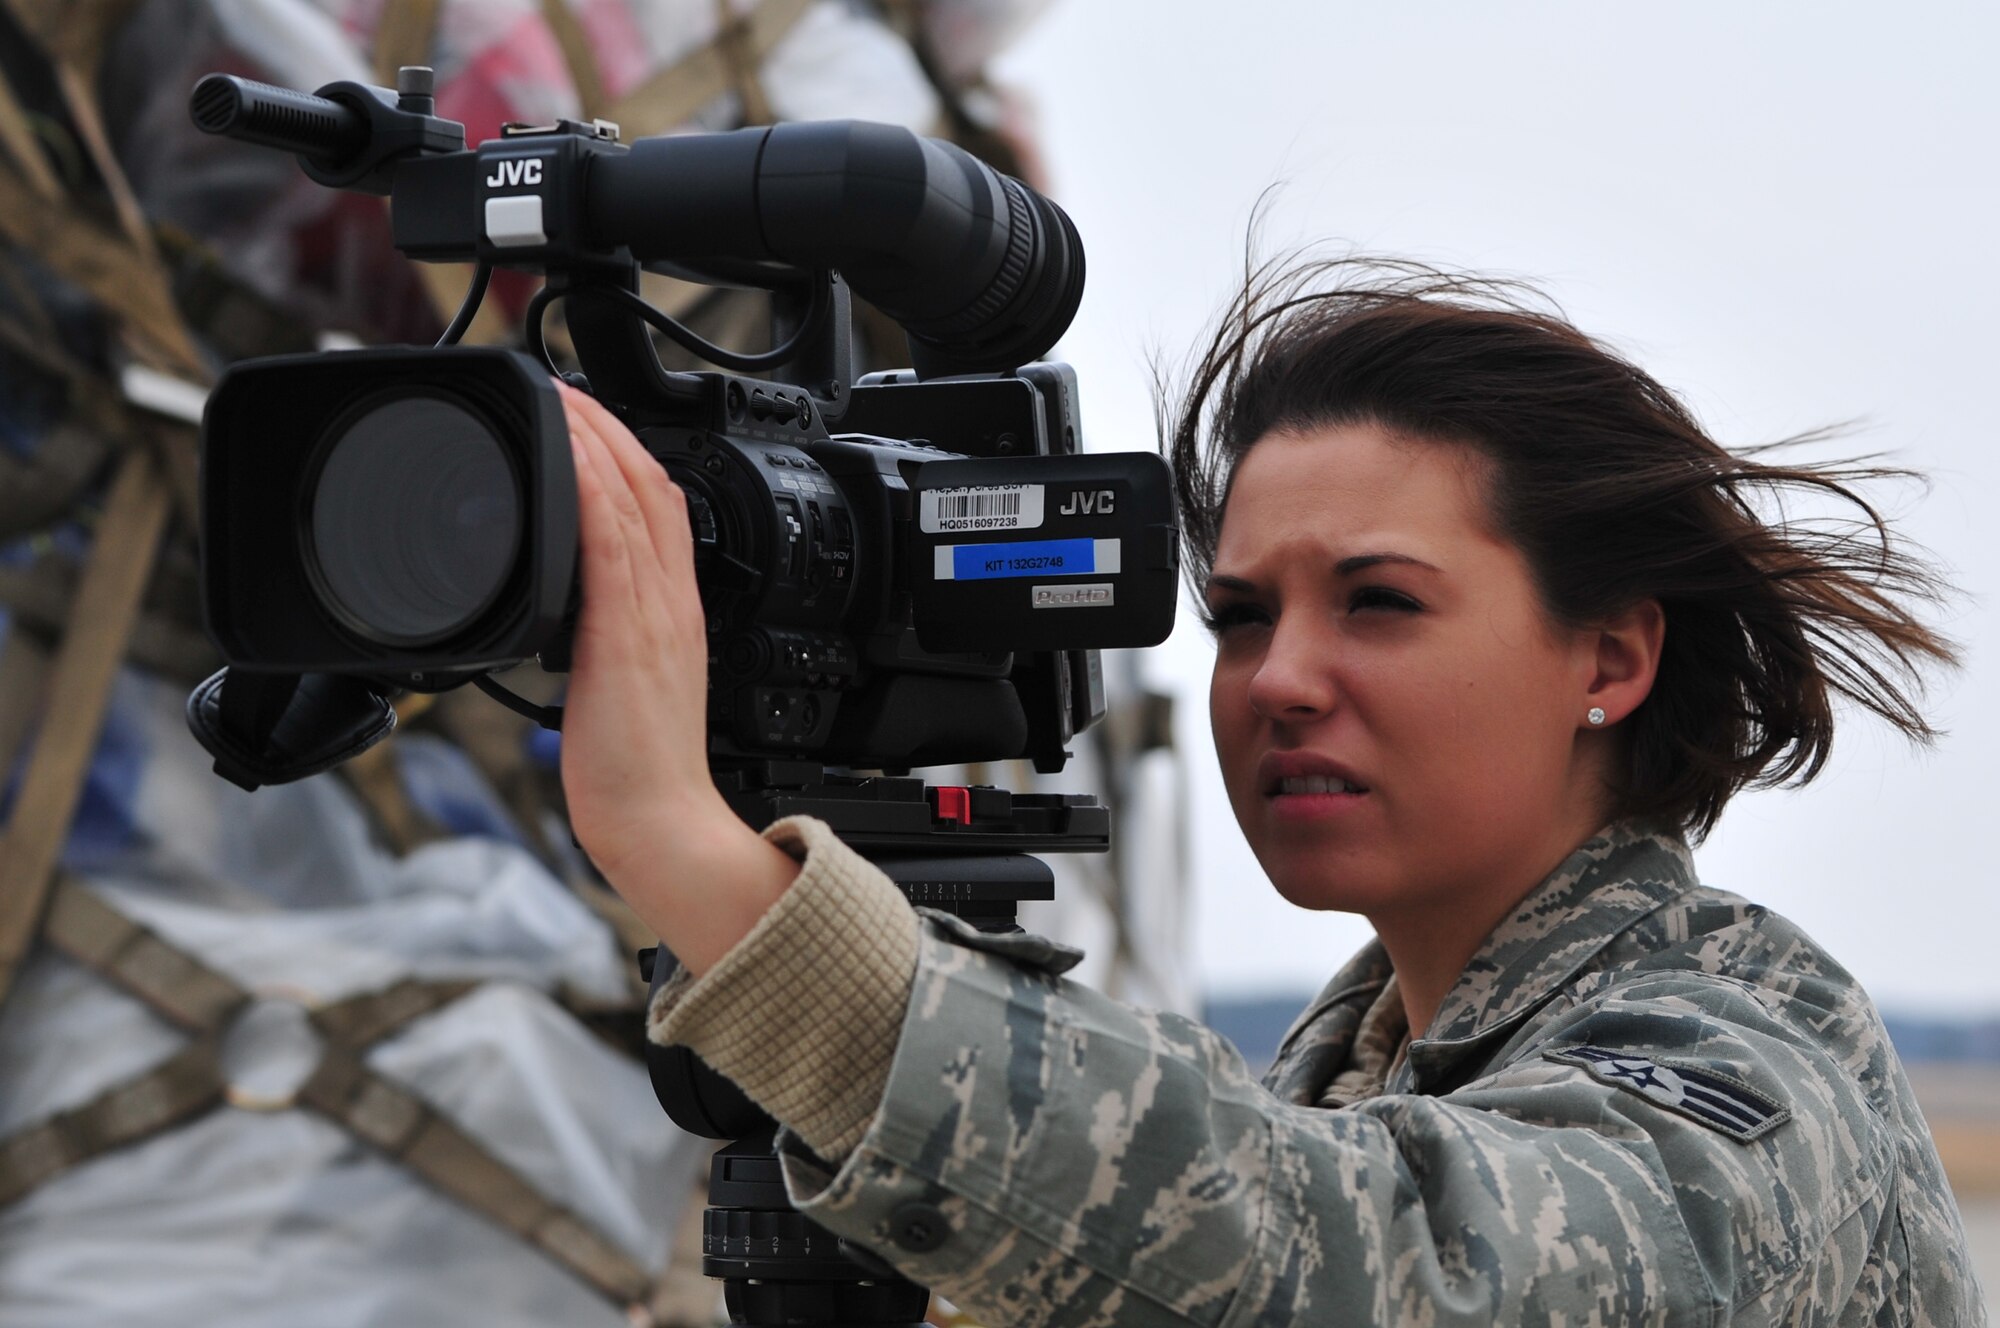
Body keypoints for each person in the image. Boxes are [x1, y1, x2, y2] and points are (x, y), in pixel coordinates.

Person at [551, 256, 1986, 1326]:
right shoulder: (1344, 1071)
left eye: (1379, 602)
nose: (1279, 679)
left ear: (1608, 657)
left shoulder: (1752, 1074)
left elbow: (1394, 1268)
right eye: (1241, 617)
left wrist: (694, 854)